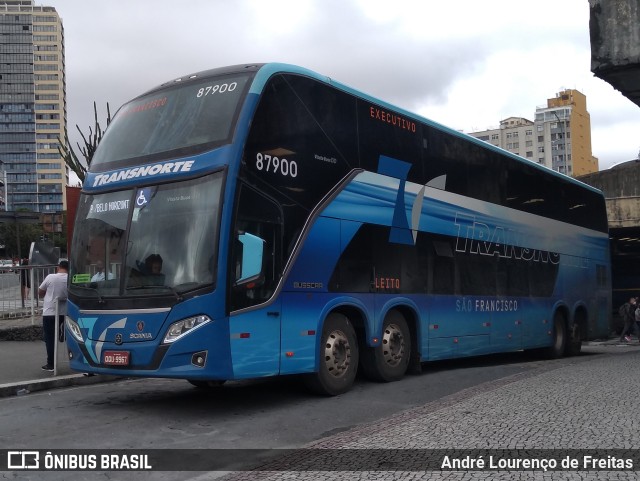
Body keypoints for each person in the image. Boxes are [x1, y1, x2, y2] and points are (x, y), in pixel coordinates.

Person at [38, 259, 68, 371]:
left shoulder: (51, 277)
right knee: (66, 335)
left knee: (50, 338)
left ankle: (51, 363)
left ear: (58, 267)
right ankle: (62, 334)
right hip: (64, 312)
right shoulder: (69, 279)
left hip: (50, 312)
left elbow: (40, 292)